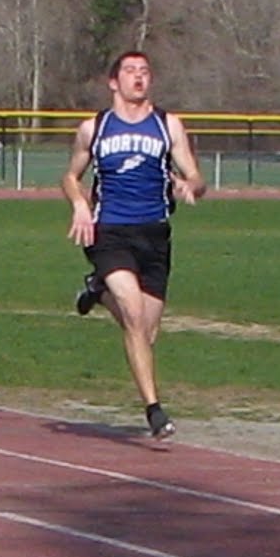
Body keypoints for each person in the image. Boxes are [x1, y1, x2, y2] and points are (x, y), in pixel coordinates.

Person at [63, 51, 206, 440]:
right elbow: (71, 176)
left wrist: (190, 185)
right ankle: (154, 410)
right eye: (130, 71)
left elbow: (196, 176)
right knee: (131, 311)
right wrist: (79, 203)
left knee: (145, 329)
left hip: (155, 234)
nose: (138, 78)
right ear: (114, 82)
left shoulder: (168, 125)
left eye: (144, 71)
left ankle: (97, 290)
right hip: (109, 231)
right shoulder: (94, 128)